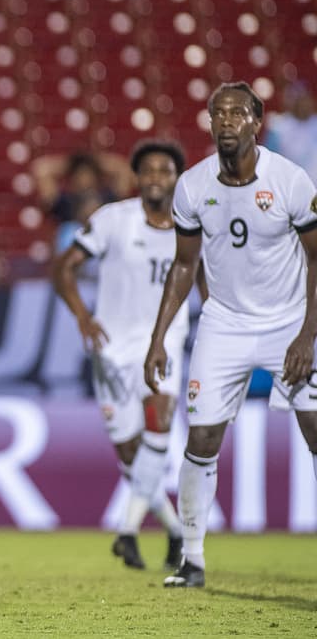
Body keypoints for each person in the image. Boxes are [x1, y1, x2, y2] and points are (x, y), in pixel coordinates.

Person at [145, 82, 317, 589]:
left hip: (289, 321)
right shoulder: (193, 187)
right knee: (200, 438)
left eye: (237, 113)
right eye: (218, 113)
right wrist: (159, 338)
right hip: (224, 323)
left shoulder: (290, 180)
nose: (226, 121)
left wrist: (308, 333)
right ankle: (192, 561)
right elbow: (182, 266)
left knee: (315, 432)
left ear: (257, 121)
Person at [51, 139, 191, 572]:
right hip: (111, 351)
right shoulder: (114, 220)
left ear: (176, 178)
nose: (155, 178)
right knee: (132, 456)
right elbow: (63, 267)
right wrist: (83, 317)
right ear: (136, 178)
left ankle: (126, 533)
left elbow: (207, 281)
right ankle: (175, 530)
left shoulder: (194, 227)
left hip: (163, 344)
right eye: (147, 170)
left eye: (164, 171)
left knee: (159, 424)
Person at [265, 81, 317, 182]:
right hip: (289, 188)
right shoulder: (278, 126)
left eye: (305, 98)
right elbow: (268, 162)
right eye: (299, 99)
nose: (303, 104)